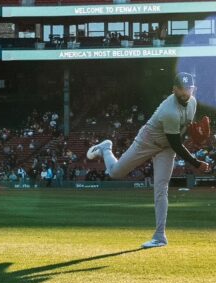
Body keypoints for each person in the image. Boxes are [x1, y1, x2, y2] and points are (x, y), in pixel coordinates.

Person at [86, 72, 209, 249]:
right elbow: (177, 144)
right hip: (147, 142)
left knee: (161, 188)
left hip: (166, 148)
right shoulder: (169, 111)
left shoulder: (193, 103)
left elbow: (184, 127)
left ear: (193, 89)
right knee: (115, 173)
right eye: (181, 89)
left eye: (188, 89)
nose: (185, 92)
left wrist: (195, 134)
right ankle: (106, 148)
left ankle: (160, 237)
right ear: (174, 89)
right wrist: (197, 163)